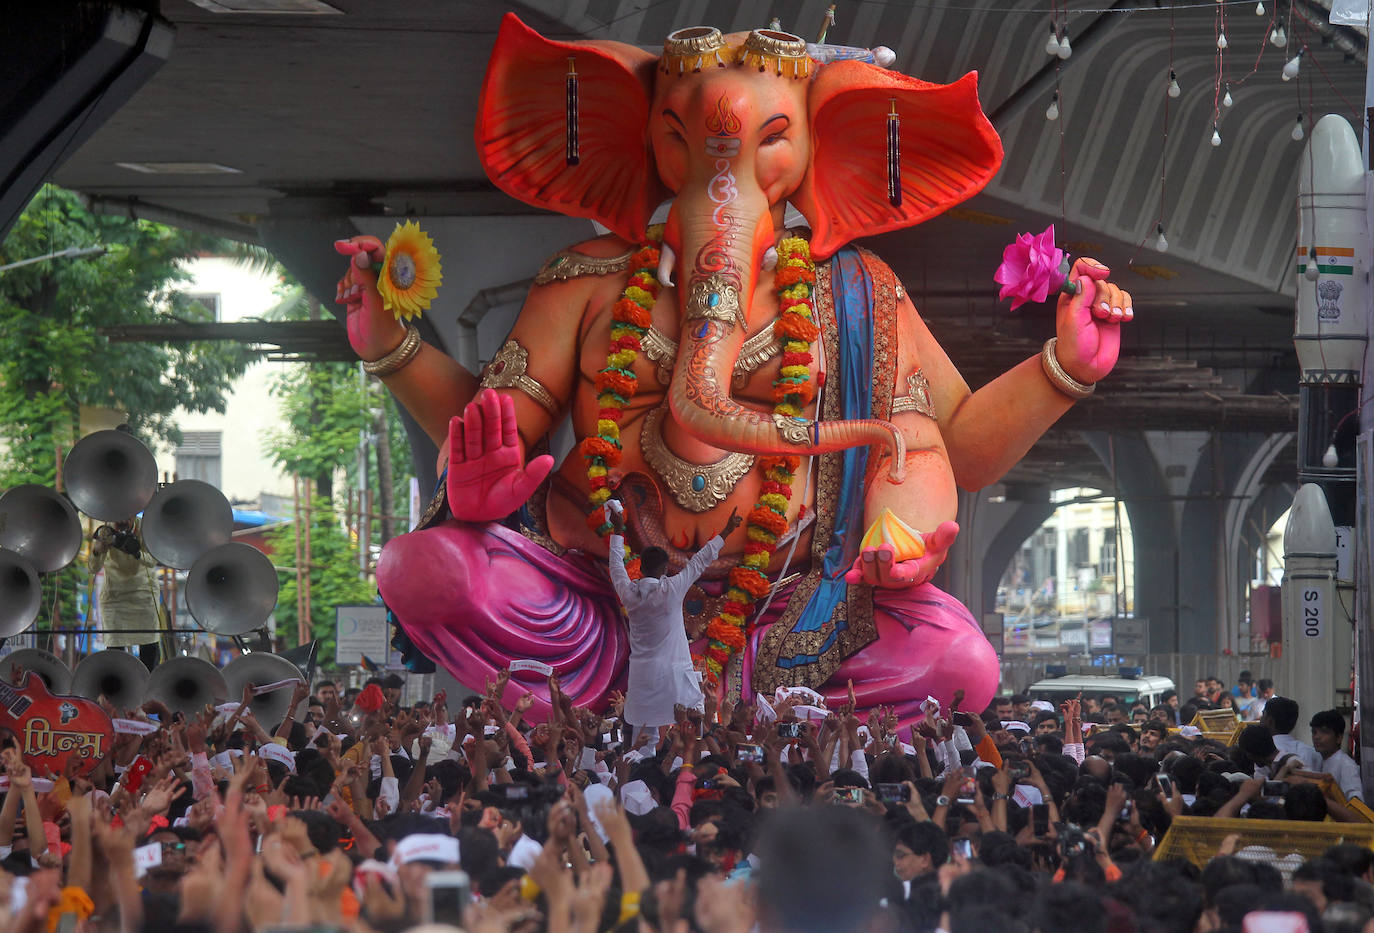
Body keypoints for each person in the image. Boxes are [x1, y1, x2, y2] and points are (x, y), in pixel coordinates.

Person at [607, 501, 743, 734]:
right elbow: (699, 561)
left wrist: (618, 531)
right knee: (695, 725)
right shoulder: (671, 589)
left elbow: (616, 565)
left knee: (645, 735)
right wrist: (727, 531)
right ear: (664, 569)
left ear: (640, 569)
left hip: (643, 677)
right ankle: (693, 761)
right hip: (673, 677)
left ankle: (640, 766)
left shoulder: (629, 593)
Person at [88, 515, 165, 669]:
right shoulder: (105, 531)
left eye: (126, 519)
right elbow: (93, 568)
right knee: (115, 651)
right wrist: (97, 551)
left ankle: (149, 686)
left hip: (144, 596)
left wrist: (136, 552)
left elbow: (152, 561)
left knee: (150, 647)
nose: (122, 523)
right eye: (118, 520)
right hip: (114, 597)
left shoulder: (145, 527)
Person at [1310, 709, 1362, 801]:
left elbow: (1356, 801)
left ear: (1339, 738)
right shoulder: (1320, 760)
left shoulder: (1346, 765)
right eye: (1314, 732)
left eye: (1324, 732)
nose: (1317, 737)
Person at [1263, 697, 1322, 772]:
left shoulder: (1263, 753)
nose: (1260, 719)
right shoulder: (1313, 752)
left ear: (1269, 720)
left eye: (1263, 714)